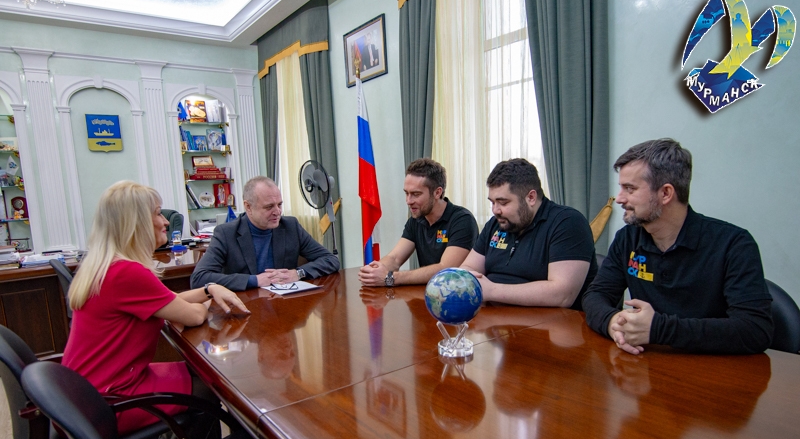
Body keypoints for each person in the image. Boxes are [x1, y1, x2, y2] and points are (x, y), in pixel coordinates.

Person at [63, 180, 249, 435]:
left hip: (83, 392)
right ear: (137, 223)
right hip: (107, 401)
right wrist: (208, 301)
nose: (165, 222)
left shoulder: (108, 265)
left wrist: (209, 289)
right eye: (158, 213)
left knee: (203, 374)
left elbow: (171, 300)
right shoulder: (127, 273)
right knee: (212, 388)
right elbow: (194, 316)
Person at [582, 138, 773, 354]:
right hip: (647, 364)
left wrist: (658, 329)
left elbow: (755, 330)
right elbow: (595, 295)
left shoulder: (734, 244)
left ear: (665, 193)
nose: (619, 199)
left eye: (630, 189)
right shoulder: (627, 238)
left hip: (714, 368)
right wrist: (612, 321)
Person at [460, 158, 597, 309]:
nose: (495, 210)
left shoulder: (568, 222)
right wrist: (464, 279)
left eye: (503, 203)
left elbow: (562, 295)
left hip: (546, 320)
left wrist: (491, 291)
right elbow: (469, 267)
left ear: (531, 198)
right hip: (492, 315)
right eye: (492, 202)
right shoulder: (496, 224)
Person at [190, 176, 340, 291]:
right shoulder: (226, 233)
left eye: (279, 204)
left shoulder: (290, 226)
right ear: (248, 207)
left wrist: (298, 273)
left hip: (286, 305)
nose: (277, 212)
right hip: (246, 306)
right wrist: (254, 280)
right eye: (269, 207)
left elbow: (331, 260)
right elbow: (199, 278)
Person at [359, 158, 478, 287]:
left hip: (456, 293)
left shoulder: (462, 220)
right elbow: (395, 258)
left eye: (416, 194)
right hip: (426, 293)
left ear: (437, 192)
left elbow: (446, 269)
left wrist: (391, 277)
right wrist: (374, 271)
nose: (408, 201)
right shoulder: (416, 220)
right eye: (406, 193)